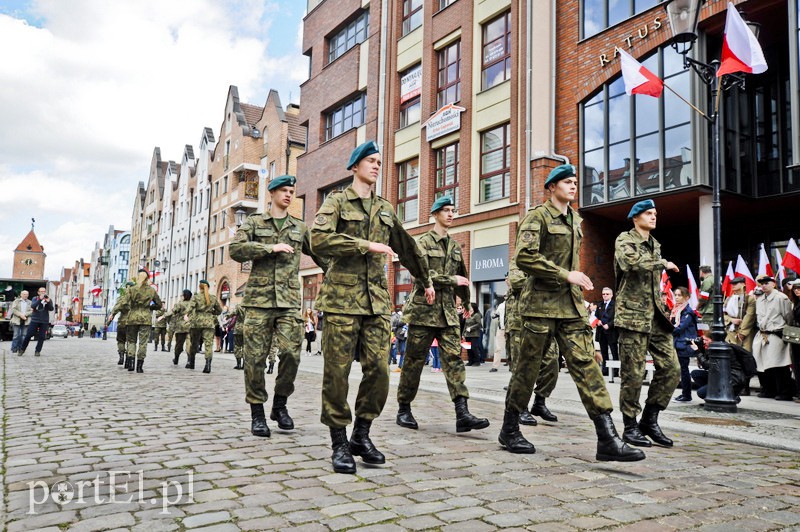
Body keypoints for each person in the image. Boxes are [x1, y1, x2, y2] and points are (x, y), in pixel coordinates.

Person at [500, 164, 643, 462]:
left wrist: (573, 282)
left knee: (586, 366)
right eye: (567, 181)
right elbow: (524, 257)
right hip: (539, 306)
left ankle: (607, 438)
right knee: (527, 369)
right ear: (551, 187)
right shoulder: (537, 217)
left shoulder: (575, 219)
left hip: (570, 306)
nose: (573, 185)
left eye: (575, 181)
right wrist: (566, 275)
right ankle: (510, 428)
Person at [311, 140, 434, 475]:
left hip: (376, 303)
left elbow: (408, 247)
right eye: (370, 161)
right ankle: (339, 442)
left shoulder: (384, 208)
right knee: (336, 374)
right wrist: (363, 245)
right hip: (341, 302)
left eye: (380, 161)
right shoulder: (336, 203)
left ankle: (361, 434)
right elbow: (317, 239)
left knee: (379, 371)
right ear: (355, 166)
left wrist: (426, 282)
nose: (377, 166)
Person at [230, 174, 327, 437]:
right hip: (259, 303)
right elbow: (236, 250)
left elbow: (320, 254)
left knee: (292, 355)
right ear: (271, 193)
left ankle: (280, 404)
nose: (288, 194)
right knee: (255, 359)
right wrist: (269, 248)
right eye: (283, 190)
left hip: (288, 302)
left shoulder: (299, 228)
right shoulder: (254, 222)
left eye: (291, 191)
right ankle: (258, 413)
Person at [395, 196, 489, 434]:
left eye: (452, 210)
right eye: (445, 210)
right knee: (414, 362)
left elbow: (463, 277)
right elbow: (419, 274)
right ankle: (404, 409)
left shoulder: (455, 246)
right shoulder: (424, 243)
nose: (450, 214)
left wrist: (466, 301)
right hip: (423, 313)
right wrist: (450, 280)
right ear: (434, 215)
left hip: (447, 314)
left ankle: (462, 413)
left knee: (454, 360)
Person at [614, 199, 680, 448]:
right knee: (633, 373)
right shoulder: (625, 240)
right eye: (648, 213)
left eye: (655, 213)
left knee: (672, 369)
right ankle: (630, 426)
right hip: (632, 317)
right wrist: (662, 263)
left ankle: (649, 420)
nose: (653, 217)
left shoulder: (655, 245)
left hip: (656, 318)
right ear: (636, 217)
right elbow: (630, 263)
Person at [752, 275, 794, 400]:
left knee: (778, 363)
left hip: (776, 332)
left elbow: (788, 316)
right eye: (762, 283)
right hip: (763, 333)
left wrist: (784, 330)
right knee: (761, 364)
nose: (764, 285)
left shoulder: (781, 298)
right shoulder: (759, 299)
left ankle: (784, 391)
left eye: (766, 283)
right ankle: (768, 389)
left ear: (774, 284)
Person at [118, 270, 163, 373]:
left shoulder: (132, 289)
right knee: (143, 343)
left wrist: (131, 307)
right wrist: (150, 307)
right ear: (147, 279)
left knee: (131, 341)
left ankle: (131, 363)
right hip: (145, 318)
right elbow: (159, 304)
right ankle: (139, 366)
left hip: (132, 318)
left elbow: (124, 303)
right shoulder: (151, 290)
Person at [185, 280, 223, 373]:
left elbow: (190, 308)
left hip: (196, 323)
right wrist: (210, 313)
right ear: (208, 288)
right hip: (209, 323)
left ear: (199, 287)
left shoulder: (196, 297)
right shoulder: (212, 298)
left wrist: (186, 314)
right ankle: (208, 365)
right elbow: (219, 310)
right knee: (208, 344)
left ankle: (191, 362)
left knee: (194, 343)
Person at [670, 287, 698, 402]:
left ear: (686, 297)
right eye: (675, 295)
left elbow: (679, 328)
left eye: (679, 295)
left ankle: (686, 395)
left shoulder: (687, 312)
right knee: (681, 370)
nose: (676, 297)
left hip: (684, 344)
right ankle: (685, 393)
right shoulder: (675, 310)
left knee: (684, 370)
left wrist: (666, 329)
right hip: (677, 343)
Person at [19, 287, 53, 356]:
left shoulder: (48, 299)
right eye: (41, 291)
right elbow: (33, 306)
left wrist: (48, 302)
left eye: (44, 291)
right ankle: (22, 349)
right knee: (29, 335)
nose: (43, 293)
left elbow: (51, 309)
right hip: (35, 320)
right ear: (38, 292)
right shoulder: (35, 298)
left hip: (44, 320)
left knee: (41, 337)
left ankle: (37, 351)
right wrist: (40, 299)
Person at [107, 281, 134, 367]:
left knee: (121, 341)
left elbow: (116, 308)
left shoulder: (122, 298)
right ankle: (129, 360)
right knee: (131, 342)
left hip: (122, 323)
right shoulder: (136, 299)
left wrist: (109, 321)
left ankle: (121, 356)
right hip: (132, 323)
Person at [595, 287, 618, 375]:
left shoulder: (615, 305)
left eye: (607, 294)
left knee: (614, 351)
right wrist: (598, 322)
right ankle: (605, 370)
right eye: (603, 294)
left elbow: (617, 318)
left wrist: (609, 325)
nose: (605, 295)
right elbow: (596, 316)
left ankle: (615, 371)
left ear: (611, 295)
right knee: (604, 352)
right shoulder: (600, 305)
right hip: (601, 332)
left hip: (611, 332)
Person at [167, 289, 192, 366]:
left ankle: (176, 358)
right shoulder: (193, 304)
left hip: (181, 327)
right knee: (189, 344)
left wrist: (164, 316)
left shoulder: (180, 304)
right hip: (190, 327)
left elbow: (172, 311)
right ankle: (189, 361)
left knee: (179, 345)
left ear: (184, 296)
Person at [789, 281, 800, 399]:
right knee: (797, 365)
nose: (797, 290)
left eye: (799, 288)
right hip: (796, 337)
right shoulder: (795, 303)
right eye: (795, 289)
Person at [490, 295, 506, 372]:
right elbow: (496, 314)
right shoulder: (501, 305)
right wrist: (494, 315)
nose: (506, 296)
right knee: (498, 348)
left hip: (513, 329)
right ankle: (495, 366)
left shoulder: (516, 304)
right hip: (501, 329)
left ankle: (513, 365)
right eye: (505, 295)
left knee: (514, 348)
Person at [232, 305, 245, 370]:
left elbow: (233, 313)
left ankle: (238, 364)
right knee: (246, 347)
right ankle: (244, 365)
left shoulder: (238, 306)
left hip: (238, 329)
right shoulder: (250, 307)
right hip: (247, 329)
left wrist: (228, 316)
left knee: (237, 346)